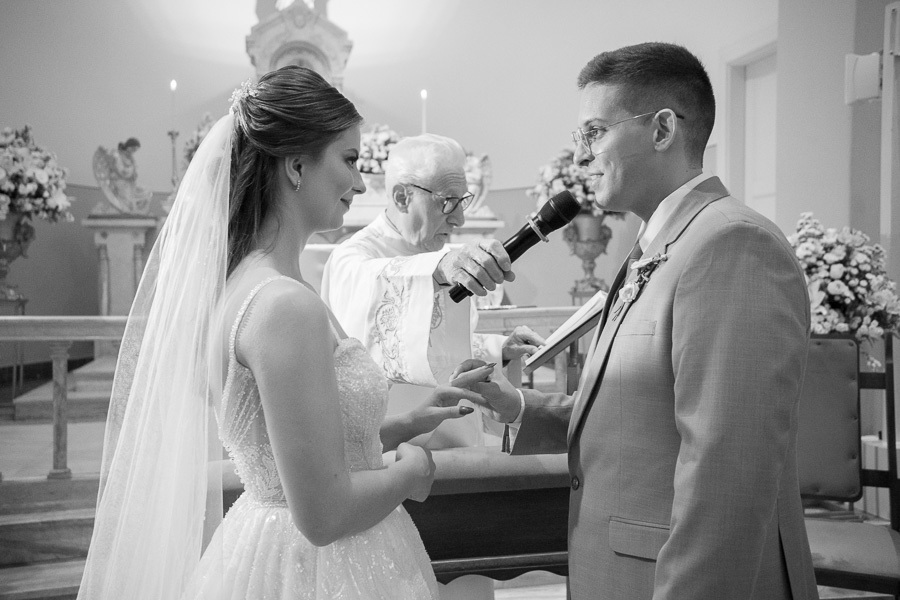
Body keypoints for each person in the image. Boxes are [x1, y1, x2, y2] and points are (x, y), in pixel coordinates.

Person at [77, 66, 488, 600]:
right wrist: (413, 471)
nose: (362, 184)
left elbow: (291, 451)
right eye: (349, 160)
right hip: (320, 568)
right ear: (296, 165)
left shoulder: (245, 284)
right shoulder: (282, 305)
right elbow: (324, 514)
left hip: (270, 548)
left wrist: (404, 425)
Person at [454, 43, 819, 599]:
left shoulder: (732, 245)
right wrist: (520, 408)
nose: (581, 155)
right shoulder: (657, 244)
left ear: (663, 129)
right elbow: (639, 409)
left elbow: (726, 473)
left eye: (593, 132)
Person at [322, 133, 543, 450]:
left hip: (457, 435)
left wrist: (500, 350)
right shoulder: (354, 257)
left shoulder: (438, 254)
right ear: (401, 197)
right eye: (447, 202)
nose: (459, 218)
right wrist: (439, 268)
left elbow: (434, 349)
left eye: (462, 201)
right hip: (393, 448)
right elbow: (375, 328)